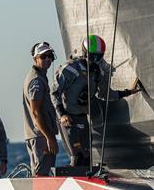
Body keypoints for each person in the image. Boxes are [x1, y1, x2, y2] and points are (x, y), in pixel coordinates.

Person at [51, 35, 139, 167]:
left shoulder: (98, 73)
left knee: (87, 158)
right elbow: (54, 92)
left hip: (82, 119)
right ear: (85, 53)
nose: (96, 61)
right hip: (68, 119)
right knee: (77, 157)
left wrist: (128, 92)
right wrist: (62, 114)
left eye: (99, 57)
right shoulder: (70, 69)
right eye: (93, 57)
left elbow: (106, 94)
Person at [23, 42, 59, 176]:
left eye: (50, 56)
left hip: (41, 136)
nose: (48, 59)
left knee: (45, 175)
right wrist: (49, 137)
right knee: (41, 175)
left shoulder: (41, 77)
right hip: (40, 136)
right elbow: (35, 111)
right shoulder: (36, 80)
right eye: (43, 57)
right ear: (35, 59)